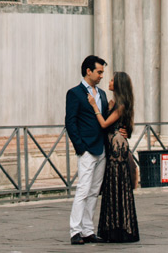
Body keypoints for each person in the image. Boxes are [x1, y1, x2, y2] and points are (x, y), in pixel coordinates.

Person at [85, 71, 140, 244]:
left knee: (117, 187)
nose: (108, 81)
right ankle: (114, 229)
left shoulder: (121, 104)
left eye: (112, 80)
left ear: (118, 84)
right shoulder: (114, 103)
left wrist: (94, 106)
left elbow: (104, 124)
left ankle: (120, 230)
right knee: (112, 188)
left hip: (117, 149)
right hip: (113, 146)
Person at [65, 54, 110, 245]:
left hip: (101, 149)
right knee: (83, 190)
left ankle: (88, 230)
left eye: (102, 72)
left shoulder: (102, 94)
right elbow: (70, 121)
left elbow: (105, 119)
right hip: (86, 149)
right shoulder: (74, 93)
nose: (101, 75)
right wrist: (80, 147)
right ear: (88, 71)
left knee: (93, 191)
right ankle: (75, 230)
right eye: (99, 72)